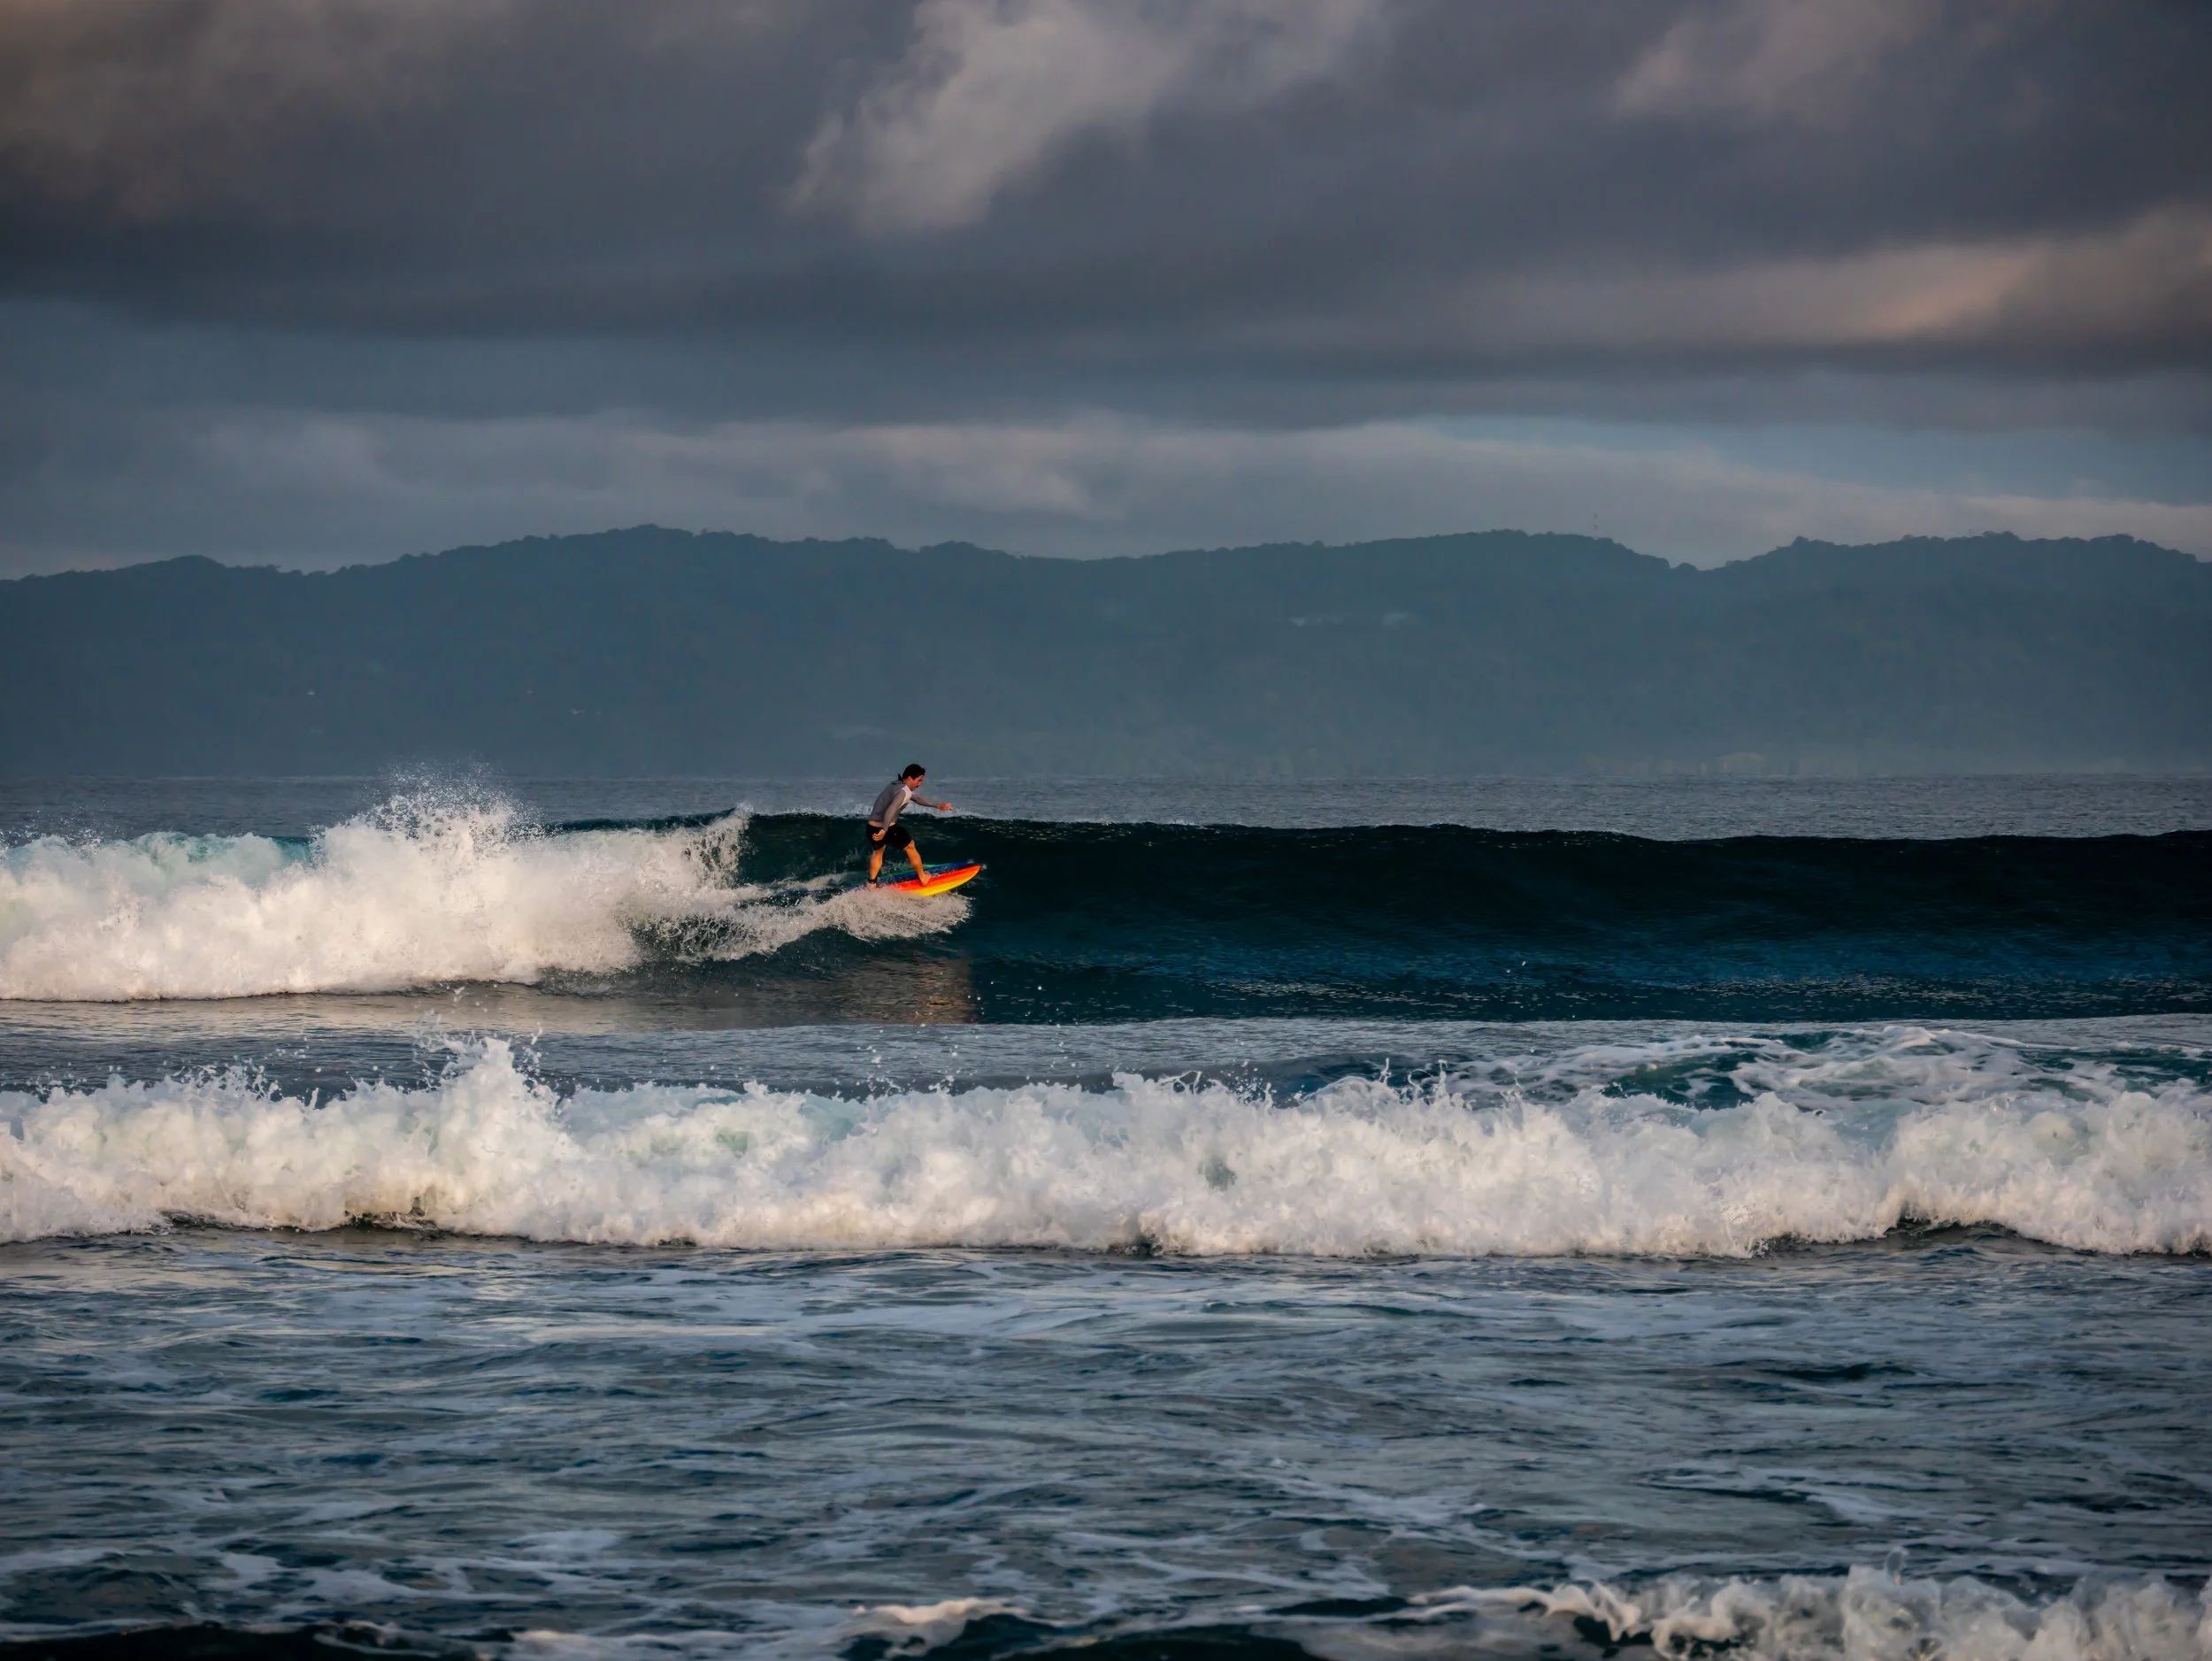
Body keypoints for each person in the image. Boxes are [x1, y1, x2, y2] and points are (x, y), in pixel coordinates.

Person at [866, 763, 953, 887]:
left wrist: (937, 805)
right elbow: (891, 810)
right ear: (910, 778)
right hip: (886, 827)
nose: (920, 784)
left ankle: (872, 884)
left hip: (871, 827)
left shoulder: (895, 785)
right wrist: (885, 830)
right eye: (919, 780)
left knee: (878, 851)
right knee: (910, 846)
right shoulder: (904, 791)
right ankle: (923, 878)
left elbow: (916, 798)